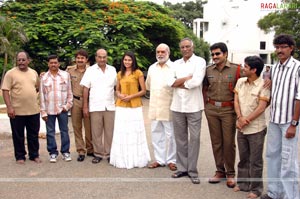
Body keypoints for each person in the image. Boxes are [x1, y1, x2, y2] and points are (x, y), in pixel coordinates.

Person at [261, 34, 300, 199]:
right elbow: (272, 92)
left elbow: (299, 97)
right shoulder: (274, 68)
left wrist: (293, 123)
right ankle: (274, 193)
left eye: (283, 47)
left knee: (288, 161)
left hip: (288, 122)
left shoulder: (298, 67)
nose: (279, 50)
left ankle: (291, 196)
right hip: (275, 120)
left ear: (291, 48)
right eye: (277, 47)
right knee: (272, 157)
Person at [203, 42, 242, 188]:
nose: (215, 57)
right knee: (216, 142)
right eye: (212, 54)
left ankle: (230, 173)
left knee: (228, 143)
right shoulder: (208, 70)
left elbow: (250, 80)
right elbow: (205, 88)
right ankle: (220, 171)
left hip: (228, 110)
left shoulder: (237, 69)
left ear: (225, 54)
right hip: (212, 109)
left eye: (217, 53)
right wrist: (205, 106)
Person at [167, 38, 206, 184]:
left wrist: (178, 83)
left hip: (194, 106)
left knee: (194, 139)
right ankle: (182, 168)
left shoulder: (200, 62)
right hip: (177, 106)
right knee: (180, 139)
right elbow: (169, 82)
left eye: (187, 46)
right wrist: (185, 79)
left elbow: (196, 82)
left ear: (192, 47)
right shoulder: (175, 64)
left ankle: (192, 171)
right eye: (182, 47)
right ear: (180, 48)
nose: (185, 49)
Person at [233, 56, 270, 199]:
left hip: (256, 129)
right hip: (241, 126)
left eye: (246, 67)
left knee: (255, 161)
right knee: (243, 158)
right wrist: (239, 118)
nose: (243, 68)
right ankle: (242, 183)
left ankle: (256, 189)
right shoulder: (241, 82)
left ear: (254, 70)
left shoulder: (264, 85)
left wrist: (246, 120)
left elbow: (261, 108)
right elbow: (236, 101)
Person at [110, 51, 151, 169]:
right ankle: (122, 158)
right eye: (125, 60)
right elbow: (117, 89)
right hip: (121, 105)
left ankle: (135, 159)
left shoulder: (138, 73)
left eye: (129, 60)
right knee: (122, 131)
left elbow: (143, 90)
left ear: (133, 61)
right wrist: (119, 95)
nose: (127, 62)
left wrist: (131, 96)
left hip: (134, 105)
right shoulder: (119, 74)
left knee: (134, 131)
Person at [1, 51, 41, 164]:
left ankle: (34, 155)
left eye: (23, 60)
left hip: (33, 110)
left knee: (33, 134)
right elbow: (5, 91)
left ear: (28, 60)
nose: (21, 62)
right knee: (18, 135)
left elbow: (37, 87)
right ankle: (20, 156)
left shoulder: (33, 73)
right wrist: (9, 107)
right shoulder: (10, 73)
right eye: (19, 60)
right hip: (17, 111)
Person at [80, 49, 116, 164]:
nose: (102, 59)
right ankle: (98, 154)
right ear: (96, 57)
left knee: (110, 132)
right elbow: (86, 89)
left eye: (104, 57)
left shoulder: (113, 70)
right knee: (96, 132)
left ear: (107, 57)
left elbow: (117, 87)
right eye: (99, 57)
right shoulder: (90, 71)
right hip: (95, 105)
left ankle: (109, 153)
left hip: (110, 105)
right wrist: (85, 106)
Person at [146, 43, 177, 171]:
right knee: (156, 134)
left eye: (163, 52)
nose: (160, 54)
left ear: (168, 53)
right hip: (154, 106)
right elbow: (148, 85)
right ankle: (159, 159)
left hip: (169, 106)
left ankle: (171, 160)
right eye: (158, 52)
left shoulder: (175, 67)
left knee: (170, 135)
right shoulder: (152, 68)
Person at [40, 54, 73, 163]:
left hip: (62, 109)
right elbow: (42, 96)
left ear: (59, 64)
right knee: (50, 132)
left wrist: (67, 106)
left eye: (55, 62)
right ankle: (53, 153)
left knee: (64, 131)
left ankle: (65, 152)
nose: (53, 64)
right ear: (48, 64)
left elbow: (69, 92)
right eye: (51, 63)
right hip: (49, 110)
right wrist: (43, 112)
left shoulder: (65, 75)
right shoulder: (44, 78)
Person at [66, 49, 93, 162]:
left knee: (89, 127)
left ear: (86, 60)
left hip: (89, 101)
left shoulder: (92, 71)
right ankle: (81, 151)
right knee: (77, 127)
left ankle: (90, 149)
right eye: (78, 58)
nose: (80, 60)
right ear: (75, 59)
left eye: (82, 58)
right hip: (75, 101)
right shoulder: (69, 70)